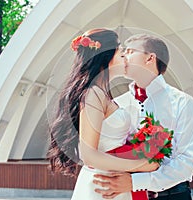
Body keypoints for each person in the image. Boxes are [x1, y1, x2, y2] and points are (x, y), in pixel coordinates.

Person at [47, 28, 159, 200]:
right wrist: (141, 165)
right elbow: (89, 155)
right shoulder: (93, 94)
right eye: (121, 52)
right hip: (102, 186)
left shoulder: (103, 93)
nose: (126, 58)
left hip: (112, 182)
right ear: (106, 56)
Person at [93, 33, 193, 200]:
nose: (123, 56)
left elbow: (186, 162)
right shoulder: (116, 104)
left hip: (172, 195)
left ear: (150, 58)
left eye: (130, 51)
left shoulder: (182, 103)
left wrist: (135, 182)